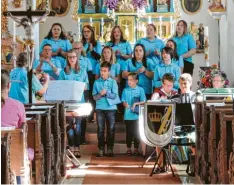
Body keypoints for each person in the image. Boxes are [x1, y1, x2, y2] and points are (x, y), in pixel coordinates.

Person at [58, 49, 89, 157]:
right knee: (70, 125)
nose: (71, 59)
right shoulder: (63, 71)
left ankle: (77, 147)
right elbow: (60, 86)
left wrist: (75, 85)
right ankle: (71, 146)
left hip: (79, 101)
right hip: (68, 101)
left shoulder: (82, 70)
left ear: (77, 58)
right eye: (69, 57)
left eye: (73, 57)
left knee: (78, 126)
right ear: (67, 58)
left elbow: (86, 87)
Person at [151, 73, 177, 173]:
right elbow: (152, 109)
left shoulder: (175, 93)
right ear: (162, 83)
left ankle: (173, 160)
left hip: (172, 123)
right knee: (159, 141)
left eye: (171, 85)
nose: (169, 88)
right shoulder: (157, 94)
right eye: (167, 85)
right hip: (159, 125)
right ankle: (160, 165)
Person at [92, 62, 119, 157]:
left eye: (105, 71)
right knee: (100, 129)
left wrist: (106, 93)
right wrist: (100, 94)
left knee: (111, 129)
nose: (102, 73)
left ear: (109, 72)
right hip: (99, 108)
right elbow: (94, 97)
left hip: (111, 108)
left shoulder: (113, 82)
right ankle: (101, 148)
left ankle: (110, 148)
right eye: (101, 70)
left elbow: (115, 96)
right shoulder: (96, 82)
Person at [73, 41, 92, 144]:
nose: (76, 50)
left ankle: (82, 138)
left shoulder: (86, 61)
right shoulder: (69, 61)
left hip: (84, 90)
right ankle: (73, 140)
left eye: (78, 48)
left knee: (83, 114)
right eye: (74, 48)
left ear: (81, 49)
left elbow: (90, 76)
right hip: (72, 91)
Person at [121, 73, 146, 156]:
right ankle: (128, 148)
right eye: (128, 79)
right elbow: (123, 101)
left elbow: (144, 101)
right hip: (128, 115)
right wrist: (125, 105)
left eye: (131, 80)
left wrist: (135, 104)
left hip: (137, 115)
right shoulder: (125, 90)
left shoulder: (140, 90)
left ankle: (136, 148)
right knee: (129, 132)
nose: (129, 81)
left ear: (136, 81)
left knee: (136, 132)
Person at [81, 25, 102, 122]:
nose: (86, 33)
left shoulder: (96, 43)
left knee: (91, 94)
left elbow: (99, 57)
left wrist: (92, 50)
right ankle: (84, 114)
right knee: (84, 93)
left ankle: (91, 115)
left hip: (93, 72)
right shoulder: (81, 43)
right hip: (82, 72)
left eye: (88, 31)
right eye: (84, 31)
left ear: (92, 32)